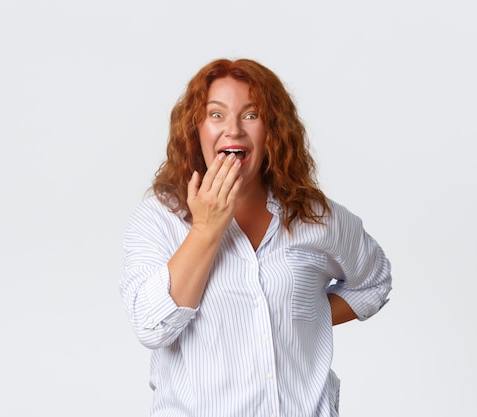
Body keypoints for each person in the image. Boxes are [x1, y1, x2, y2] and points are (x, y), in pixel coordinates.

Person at [120, 58, 392, 417]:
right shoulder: (159, 218)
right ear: (195, 130)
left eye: (251, 115)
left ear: (273, 131)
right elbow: (151, 327)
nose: (233, 130)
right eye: (216, 115)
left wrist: (303, 316)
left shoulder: (315, 216)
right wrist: (206, 229)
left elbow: (374, 283)